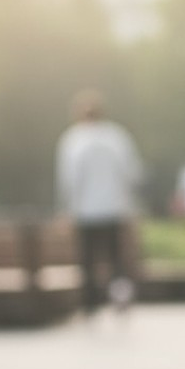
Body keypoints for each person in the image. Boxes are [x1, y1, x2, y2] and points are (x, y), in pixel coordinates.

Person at [55, 89, 143, 313]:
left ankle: (90, 302)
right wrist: (131, 207)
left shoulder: (73, 139)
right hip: (115, 207)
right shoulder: (117, 137)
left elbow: (69, 180)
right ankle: (119, 294)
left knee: (87, 258)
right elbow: (132, 173)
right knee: (115, 258)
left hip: (85, 210)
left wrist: (66, 210)